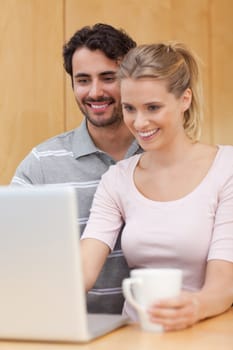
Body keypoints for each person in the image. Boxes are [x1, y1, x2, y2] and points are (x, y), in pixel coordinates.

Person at [80, 42, 233, 330]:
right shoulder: (117, 180)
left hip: (205, 333)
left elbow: (223, 286)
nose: (139, 122)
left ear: (184, 99)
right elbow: (83, 270)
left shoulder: (226, 168)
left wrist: (195, 307)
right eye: (129, 108)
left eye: (153, 107)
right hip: (138, 335)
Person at [11, 23, 142, 314]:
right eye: (83, 80)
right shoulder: (42, 165)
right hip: (75, 326)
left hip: (157, 328)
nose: (95, 92)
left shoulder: (163, 155)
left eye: (109, 78)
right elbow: (11, 255)